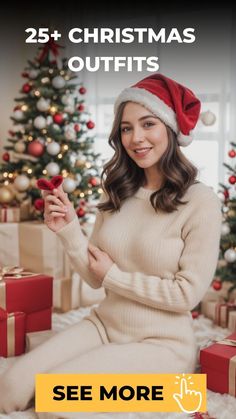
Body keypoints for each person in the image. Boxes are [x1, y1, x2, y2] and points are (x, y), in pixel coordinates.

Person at [0, 73, 222, 417]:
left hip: (162, 344)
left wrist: (115, 277)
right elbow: (94, 276)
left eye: (148, 124)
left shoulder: (200, 201)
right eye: (126, 128)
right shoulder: (120, 190)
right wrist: (70, 230)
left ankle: (176, 392)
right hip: (104, 325)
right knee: (10, 388)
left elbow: (186, 295)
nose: (136, 138)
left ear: (171, 129)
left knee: (57, 400)